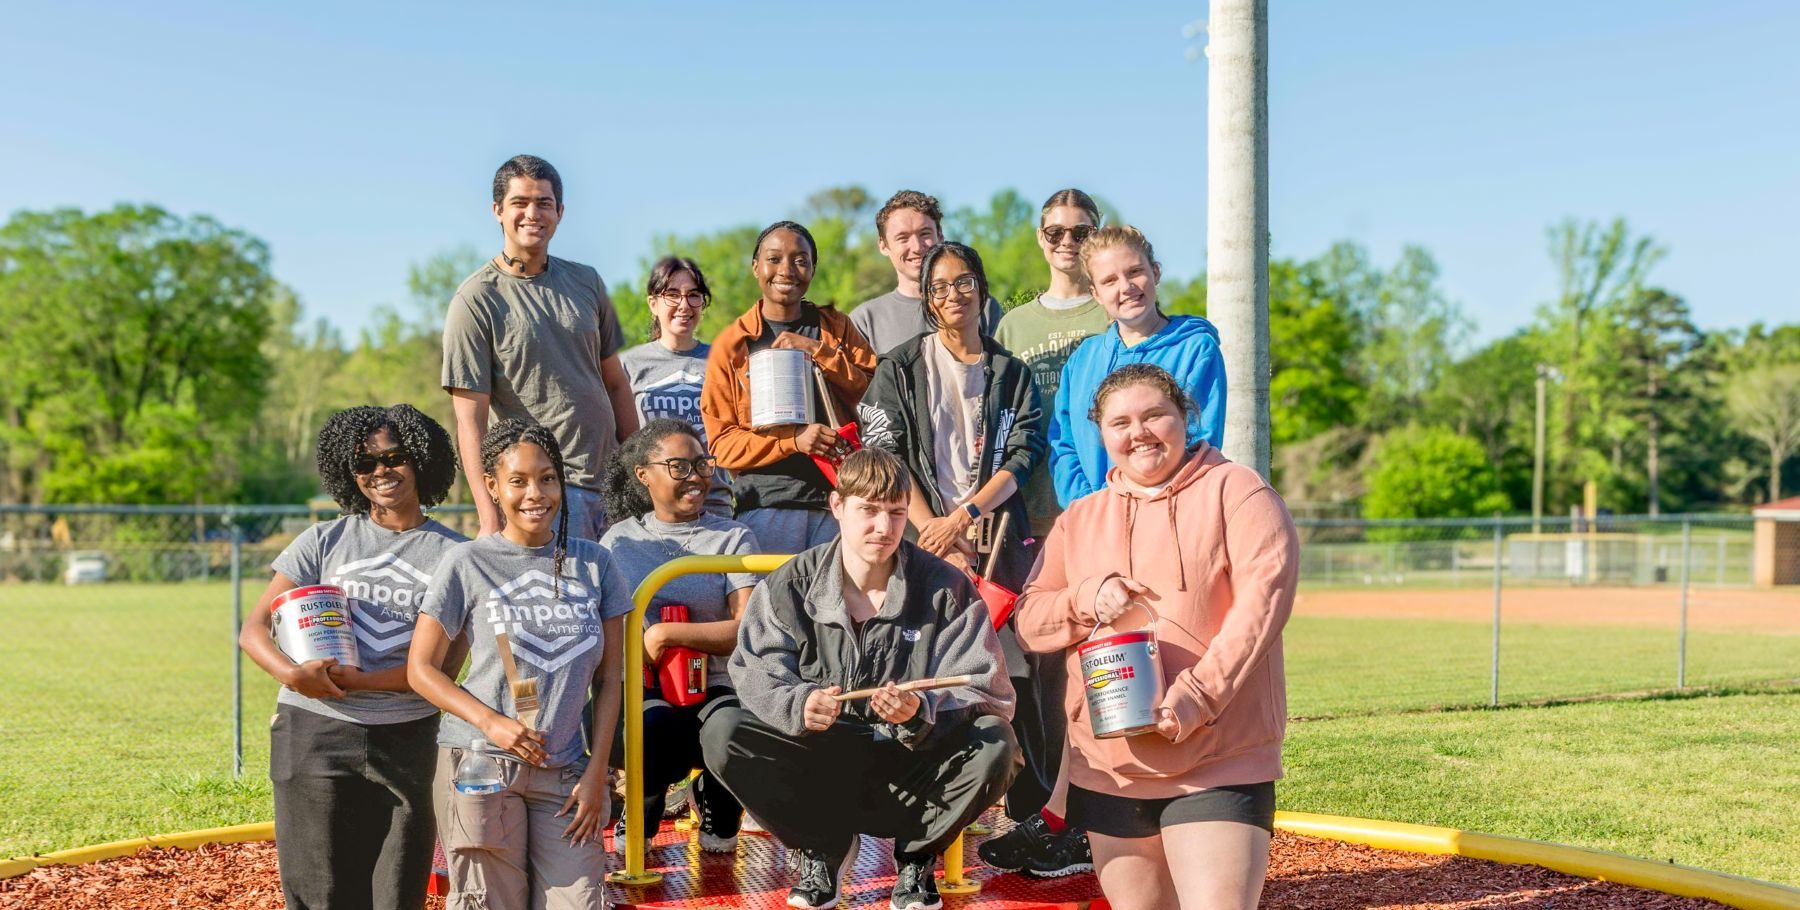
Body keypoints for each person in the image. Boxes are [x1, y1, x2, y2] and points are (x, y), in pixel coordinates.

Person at [1016, 364, 1298, 910]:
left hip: (1220, 754)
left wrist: (1199, 694)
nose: (1138, 432)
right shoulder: (1081, 518)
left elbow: (1264, 604)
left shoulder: (1237, 490)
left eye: (1154, 415)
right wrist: (1084, 597)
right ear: (1100, 434)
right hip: (1111, 766)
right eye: (1119, 422)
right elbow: (1030, 618)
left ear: (1185, 418)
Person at [700, 448, 1019, 910]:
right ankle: (822, 849)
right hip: (818, 764)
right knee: (722, 730)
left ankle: (915, 861)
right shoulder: (789, 583)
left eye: (895, 512)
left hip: (913, 764)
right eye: (868, 510)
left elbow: (988, 689)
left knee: (997, 741)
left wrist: (920, 712)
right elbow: (753, 671)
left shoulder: (946, 586)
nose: (883, 528)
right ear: (837, 506)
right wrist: (798, 703)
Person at [856, 241, 1075, 876]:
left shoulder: (1010, 371)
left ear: (982, 288)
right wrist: (928, 527)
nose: (955, 294)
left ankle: (1029, 815)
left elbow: (1025, 450)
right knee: (916, 670)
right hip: (916, 538)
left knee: (1014, 677)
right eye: (941, 286)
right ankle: (913, 824)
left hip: (995, 541)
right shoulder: (899, 366)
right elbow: (884, 449)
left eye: (965, 282)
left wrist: (967, 517)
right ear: (927, 297)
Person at [239, 404, 466, 910]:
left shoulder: (457, 555)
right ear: (348, 473)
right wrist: (294, 676)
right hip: (315, 731)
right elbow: (253, 630)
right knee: (319, 894)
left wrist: (359, 683)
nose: (381, 473)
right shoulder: (323, 540)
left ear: (422, 459)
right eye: (365, 465)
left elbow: (444, 673)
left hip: (406, 738)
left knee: (395, 894)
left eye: (394, 458)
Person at [408, 419, 632, 910]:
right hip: (481, 765)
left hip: (566, 774)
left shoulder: (596, 564)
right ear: (492, 486)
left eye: (548, 478)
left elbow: (610, 681)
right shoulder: (467, 563)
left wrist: (597, 773)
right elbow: (420, 670)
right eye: (519, 481)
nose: (536, 493)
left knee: (579, 902)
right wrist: (493, 723)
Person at [443, 154, 640, 541]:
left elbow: (616, 384)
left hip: (612, 490)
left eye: (544, 203)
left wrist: (636, 474)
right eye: (520, 203)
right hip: (543, 494)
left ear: (560, 212)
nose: (533, 213)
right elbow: (470, 423)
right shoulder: (475, 299)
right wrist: (488, 515)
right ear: (498, 210)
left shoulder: (588, 282)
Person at [598, 419, 760, 852]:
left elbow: (745, 627)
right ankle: (641, 809)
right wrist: (645, 648)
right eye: (679, 466)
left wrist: (667, 633)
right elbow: (606, 628)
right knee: (653, 728)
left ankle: (719, 805)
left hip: (717, 683)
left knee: (734, 732)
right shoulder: (619, 542)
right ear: (643, 474)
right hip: (647, 685)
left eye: (703, 466)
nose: (695, 477)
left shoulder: (732, 537)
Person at [700, 220, 879, 555]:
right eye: (774, 259)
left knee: (839, 605)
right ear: (756, 267)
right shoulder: (733, 344)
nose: (787, 269)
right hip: (767, 506)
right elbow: (722, 444)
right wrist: (794, 440)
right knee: (774, 606)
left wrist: (818, 351)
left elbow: (875, 397)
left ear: (813, 269)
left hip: (839, 501)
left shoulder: (836, 327)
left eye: (800, 260)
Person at [1050, 226, 1226, 509]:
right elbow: (1064, 444)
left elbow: (1199, 442)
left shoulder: (1195, 349)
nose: (1126, 287)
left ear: (1155, 272)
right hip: (1094, 518)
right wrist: (1091, 508)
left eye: (1134, 272)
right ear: (1095, 293)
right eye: (1110, 280)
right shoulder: (1082, 359)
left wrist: (1145, 509)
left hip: (1164, 513)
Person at [994, 188, 1114, 540]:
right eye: (1055, 232)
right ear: (1040, 237)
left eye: (1081, 233)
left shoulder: (1114, 313)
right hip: (1029, 503)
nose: (1067, 241)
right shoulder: (1013, 325)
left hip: (1101, 500)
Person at [618, 256, 733, 518]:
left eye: (694, 295)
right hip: (651, 510)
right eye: (672, 295)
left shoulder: (724, 361)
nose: (684, 305)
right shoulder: (628, 365)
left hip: (712, 506)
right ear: (653, 304)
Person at [849, 189, 1003, 355]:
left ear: (940, 235)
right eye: (903, 238)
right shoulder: (865, 321)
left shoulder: (981, 306)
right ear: (883, 246)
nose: (917, 247)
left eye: (924, 234)